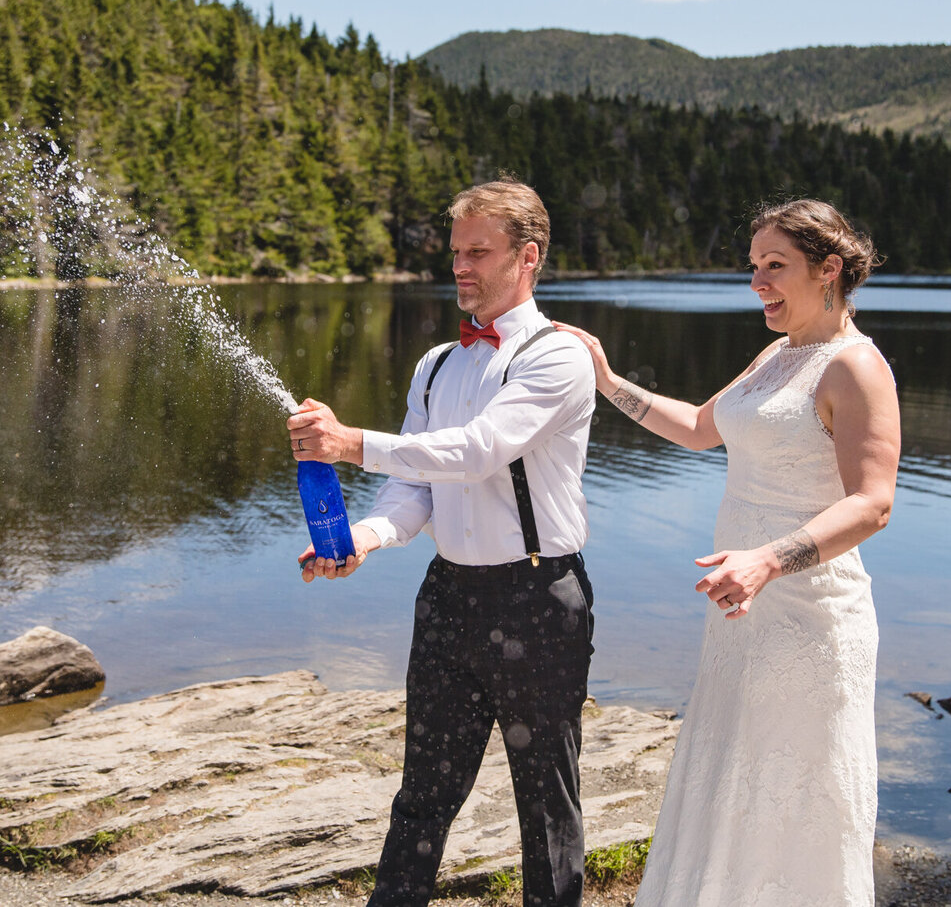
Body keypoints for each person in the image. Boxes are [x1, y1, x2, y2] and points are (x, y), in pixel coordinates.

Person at [556, 198, 900, 907]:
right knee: (730, 776)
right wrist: (608, 380)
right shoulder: (779, 353)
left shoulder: (856, 368)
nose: (757, 283)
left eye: (776, 266)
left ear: (828, 269)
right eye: (753, 266)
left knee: (797, 798)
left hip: (811, 618)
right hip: (744, 611)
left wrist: (768, 559)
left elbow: (873, 503)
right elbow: (699, 428)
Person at [288, 178, 597, 907]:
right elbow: (418, 488)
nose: (460, 266)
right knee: (421, 794)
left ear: (527, 256)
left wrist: (350, 441)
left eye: (478, 252)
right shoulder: (435, 364)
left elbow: (476, 451)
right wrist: (361, 536)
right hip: (449, 596)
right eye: (456, 251)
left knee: (546, 806)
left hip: (537, 598)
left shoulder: (558, 357)